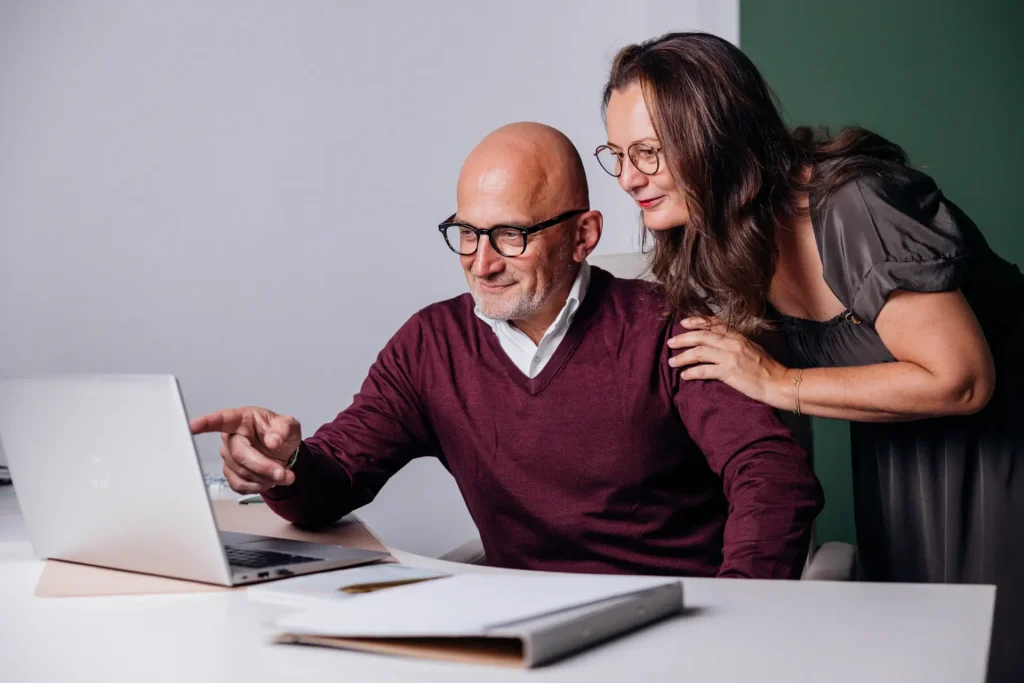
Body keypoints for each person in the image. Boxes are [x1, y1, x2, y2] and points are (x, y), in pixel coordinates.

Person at [191, 122, 823, 580]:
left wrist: (738, 615)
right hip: (521, 635)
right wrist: (283, 464)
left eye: (511, 235)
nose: (481, 262)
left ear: (583, 235)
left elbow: (772, 477)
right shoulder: (430, 346)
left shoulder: (668, 327)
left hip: (673, 622)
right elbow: (334, 483)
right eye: (467, 233)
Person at [597, 31, 1024, 680]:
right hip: (902, 467)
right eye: (618, 155)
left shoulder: (857, 206)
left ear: (715, 136)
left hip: (1002, 458)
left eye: (648, 153)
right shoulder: (728, 237)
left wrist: (779, 381)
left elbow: (962, 380)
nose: (629, 178)